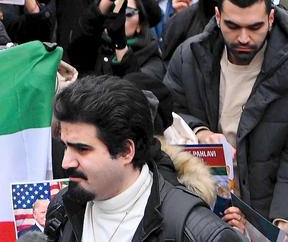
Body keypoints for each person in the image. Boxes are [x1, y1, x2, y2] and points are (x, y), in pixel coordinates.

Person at [45, 75, 239, 242]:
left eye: (82, 149)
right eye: (65, 146)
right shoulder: (61, 209)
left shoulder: (198, 232)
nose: (66, 162)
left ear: (126, 151)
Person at [165, 0, 288, 224]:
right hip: (204, 204)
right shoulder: (189, 56)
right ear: (218, 17)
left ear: (271, 19)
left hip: (267, 211)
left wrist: (282, 219)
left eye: (255, 27)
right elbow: (168, 109)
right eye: (233, 26)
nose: (243, 38)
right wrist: (200, 131)